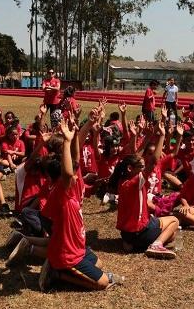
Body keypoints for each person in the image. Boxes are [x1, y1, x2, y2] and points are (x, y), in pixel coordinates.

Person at [42, 119, 121, 291]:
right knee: (102, 283)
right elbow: (69, 172)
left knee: (99, 264)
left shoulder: (67, 190)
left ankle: (60, 268)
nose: (78, 177)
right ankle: (58, 274)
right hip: (67, 255)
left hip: (78, 247)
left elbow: (75, 159)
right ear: (61, 179)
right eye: (72, 177)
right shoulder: (61, 191)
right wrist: (67, 141)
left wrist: (77, 133)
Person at [108, 121, 179, 259]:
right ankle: (156, 245)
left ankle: (131, 244)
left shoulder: (123, 180)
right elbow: (153, 162)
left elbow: (135, 157)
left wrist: (149, 135)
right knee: (174, 221)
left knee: (170, 234)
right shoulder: (135, 182)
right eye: (141, 167)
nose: (143, 168)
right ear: (131, 169)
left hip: (126, 233)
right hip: (139, 231)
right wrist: (162, 136)